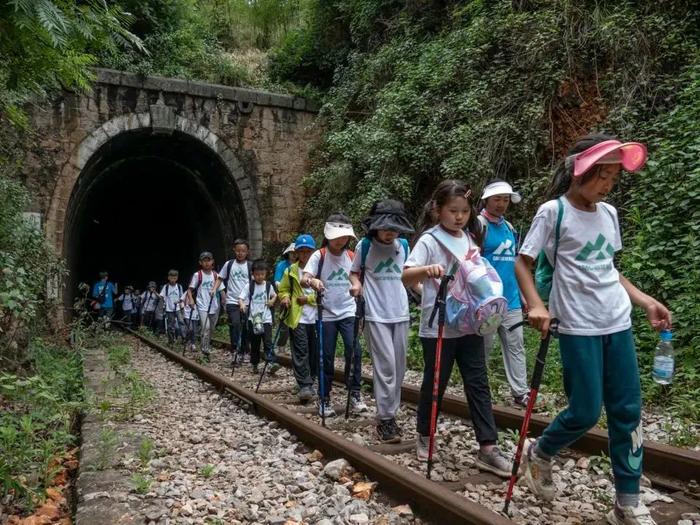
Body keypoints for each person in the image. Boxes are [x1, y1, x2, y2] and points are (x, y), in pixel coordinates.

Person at [515, 134, 671, 525]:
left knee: (628, 411)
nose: (607, 185)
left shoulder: (609, 214)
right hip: (577, 325)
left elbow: (608, 269)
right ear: (581, 172)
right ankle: (540, 451)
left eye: (613, 179)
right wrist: (536, 304)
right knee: (585, 411)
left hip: (616, 321)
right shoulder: (553, 213)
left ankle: (628, 502)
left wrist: (645, 300)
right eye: (602, 176)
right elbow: (523, 263)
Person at [402, 179, 510, 477]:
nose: (459, 216)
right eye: (453, 210)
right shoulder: (429, 240)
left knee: (478, 383)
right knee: (435, 384)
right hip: (438, 327)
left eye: (464, 211)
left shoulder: (470, 238)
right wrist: (427, 270)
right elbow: (406, 276)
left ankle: (488, 447)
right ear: (438, 210)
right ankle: (425, 435)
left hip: (470, 325)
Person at [349, 200, 414, 443]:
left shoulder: (404, 246)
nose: (390, 232)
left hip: (401, 312)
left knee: (399, 367)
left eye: (395, 228)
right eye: (386, 227)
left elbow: (408, 278)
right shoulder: (364, 246)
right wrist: (356, 285)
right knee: (385, 366)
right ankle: (385, 419)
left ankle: (391, 413)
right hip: (375, 314)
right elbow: (354, 272)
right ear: (375, 226)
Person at [304, 213, 367, 418]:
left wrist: (358, 288)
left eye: (344, 236)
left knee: (354, 350)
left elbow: (358, 278)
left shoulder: (351, 256)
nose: (341, 240)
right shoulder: (319, 255)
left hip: (348, 310)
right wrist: (313, 282)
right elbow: (306, 276)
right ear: (329, 236)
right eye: (337, 236)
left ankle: (355, 392)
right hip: (326, 314)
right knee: (326, 357)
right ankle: (324, 398)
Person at [477, 179, 530, 408]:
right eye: (497, 199)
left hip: (512, 298)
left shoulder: (509, 227)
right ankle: (479, 391)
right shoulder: (479, 225)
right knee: (483, 348)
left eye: (506, 200)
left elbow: (515, 264)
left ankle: (521, 393)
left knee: (516, 345)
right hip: (487, 300)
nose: (501, 204)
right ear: (487, 200)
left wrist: (526, 296)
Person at [278, 234, 319, 403]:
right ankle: (304, 385)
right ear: (296, 253)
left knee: (315, 352)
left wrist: (308, 299)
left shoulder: (320, 268)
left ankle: (312, 379)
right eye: (301, 252)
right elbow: (283, 289)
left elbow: (327, 292)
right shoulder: (291, 270)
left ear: (313, 252)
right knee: (301, 351)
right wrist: (285, 297)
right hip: (298, 318)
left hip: (317, 317)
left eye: (307, 251)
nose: (304, 255)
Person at [216, 239, 253, 362]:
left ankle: (244, 351)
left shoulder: (250, 266)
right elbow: (220, 278)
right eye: (238, 251)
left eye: (243, 251)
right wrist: (213, 289)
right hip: (232, 300)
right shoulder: (229, 264)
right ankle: (235, 350)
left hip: (247, 301)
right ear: (234, 250)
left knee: (247, 327)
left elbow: (256, 283)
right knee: (235, 324)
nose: (240, 253)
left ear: (247, 252)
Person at [239, 259, 277, 374]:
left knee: (268, 342)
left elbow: (275, 295)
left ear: (266, 274)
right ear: (253, 274)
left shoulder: (268, 285)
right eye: (257, 274)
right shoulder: (249, 286)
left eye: (262, 274)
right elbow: (241, 298)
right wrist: (241, 305)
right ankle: (255, 364)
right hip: (253, 319)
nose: (259, 277)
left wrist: (272, 301)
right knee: (255, 344)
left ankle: (270, 363)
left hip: (266, 319)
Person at [187, 251, 224, 361]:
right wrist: (191, 300)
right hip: (202, 305)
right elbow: (190, 290)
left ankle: (206, 344)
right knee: (206, 327)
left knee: (211, 329)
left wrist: (224, 300)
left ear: (212, 262)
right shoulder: (197, 275)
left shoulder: (216, 275)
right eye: (204, 261)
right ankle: (204, 349)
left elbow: (221, 290)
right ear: (200, 262)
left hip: (214, 306)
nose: (207, 263)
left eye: (209, 260)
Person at [273, 242, 297, 357]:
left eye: (295, 253)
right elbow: (277, 281)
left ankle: (295, 348)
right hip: (285, 298)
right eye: (291, 253)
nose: (293, 255)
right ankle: (281, 347)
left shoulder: (300, 265)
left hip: (298, 299)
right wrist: (284, 292)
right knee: (284, 325)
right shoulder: (282, 265)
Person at [160, 270, 184, 344]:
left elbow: (182, 297)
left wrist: (179, 302)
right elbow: (161, 296)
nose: (173, 279)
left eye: (174, 278)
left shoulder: (179, 287)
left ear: (177, 278)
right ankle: (171, 340)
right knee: (171, 325)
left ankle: (184, 338)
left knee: (181, 322)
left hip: (178, 309)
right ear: (168, 278)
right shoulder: (166, 287)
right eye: (171, 278)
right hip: (169, 309)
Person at [182, 289, 199, 353]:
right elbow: (181, 299)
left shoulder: (199, 291)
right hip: (187, 314)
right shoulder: (186, 292)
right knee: (190, 329)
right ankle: (187, 342)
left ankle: (193, 344)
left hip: (195, 314)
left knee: (194, 330)